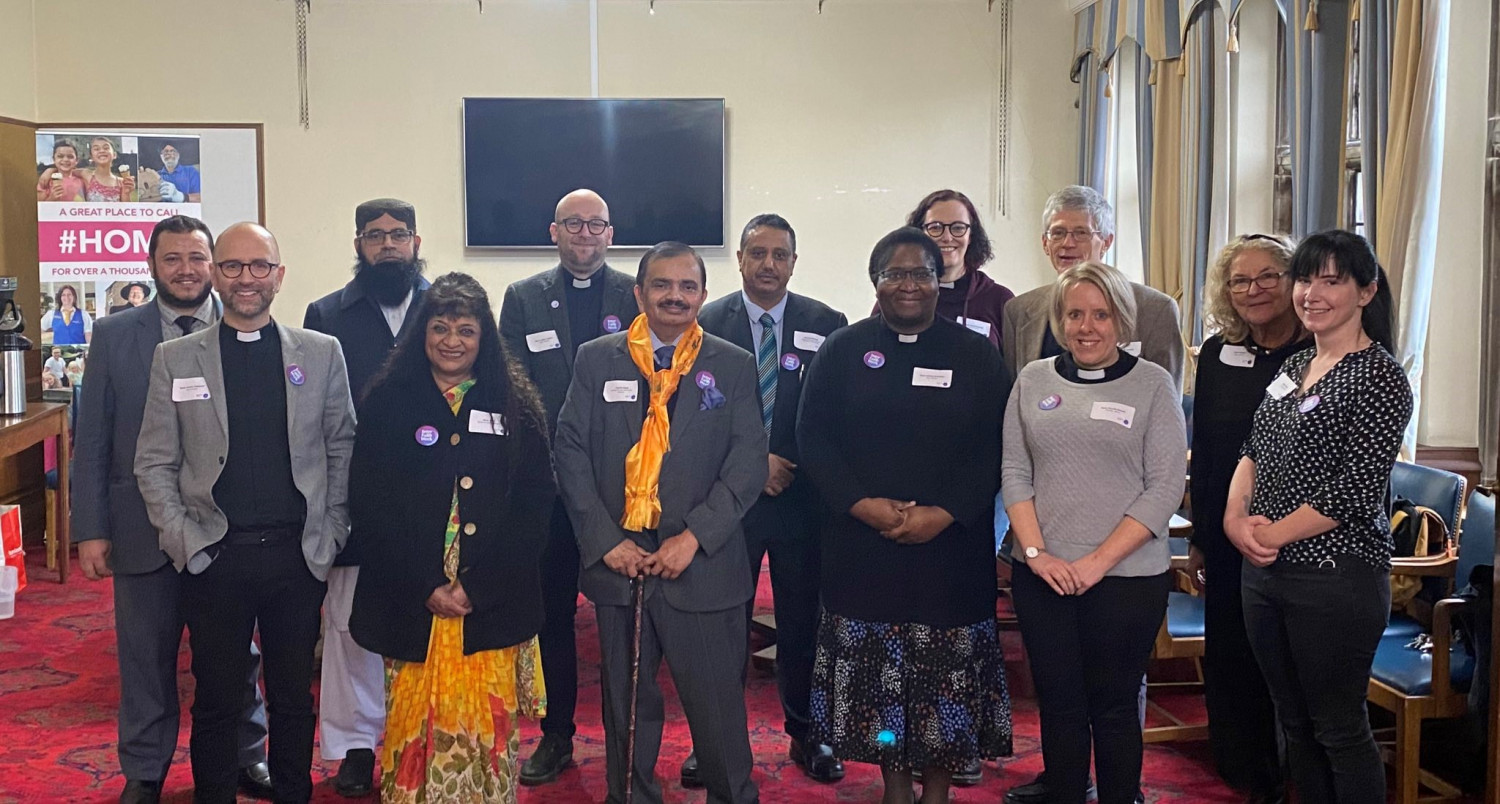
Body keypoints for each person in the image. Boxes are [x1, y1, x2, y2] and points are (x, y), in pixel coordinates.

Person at [134, 222, 356, 804]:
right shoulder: (175, 359)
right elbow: (154, 463)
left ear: (279, 276)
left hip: (296, 558)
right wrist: (185, 541)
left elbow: (342, 448)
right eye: (232, 267)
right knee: (216, 700)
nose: (246, 279)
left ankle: (292, 794)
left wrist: (329, 535)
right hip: (214, 559)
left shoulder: (320, 353)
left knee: (290, 698)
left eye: (260, 266)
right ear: (214, 275)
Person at [797, 227, 1013, 804]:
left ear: (941, 282)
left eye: (922, 273)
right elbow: (813, 437)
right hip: (863, 550)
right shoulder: (842, 349)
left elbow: (998, 445)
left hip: (950, 552)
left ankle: (937, 788)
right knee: (881, 683)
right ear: (876, 282)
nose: (909, 285)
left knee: (941, 681)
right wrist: (863, 505)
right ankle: (894, 783)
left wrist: (945, 513)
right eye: (895, 273)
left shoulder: (976, 355)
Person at [554, 241, 766, 804]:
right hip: (621, 565)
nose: (675, 296)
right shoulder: (597, 359)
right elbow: (569, 451)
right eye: (662, 285)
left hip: (702, 566)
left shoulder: (732, 364)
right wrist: (605, 542)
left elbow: (747, 466)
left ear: (701, 293)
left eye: (687, 286)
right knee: (627, 709)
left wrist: (692, 538)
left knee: (717, 708)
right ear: (639, 292)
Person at [75, 216, 273, 804]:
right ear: (151, 265)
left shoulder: (242, 327)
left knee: (240, 655)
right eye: (173, 259)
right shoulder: (114, 335)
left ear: (212, 264)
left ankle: (247, 755)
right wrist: (90, 529)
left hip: (226, 529)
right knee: (146, 654)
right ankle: (144, 769)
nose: (186, 269)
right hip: (139, 527)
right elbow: (94, 439)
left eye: (197, 257)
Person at [1000, 185, 1180, 804]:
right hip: (1044, 572)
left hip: (1126, 576)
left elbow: (1165, 487)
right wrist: (1038, 555)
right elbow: (1015, 473)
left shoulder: (1154, 385)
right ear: (1059, 320)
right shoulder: (1032, 379)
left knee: (1111, 704)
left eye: (1100, 315)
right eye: (1075, 315)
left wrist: (1096, 564)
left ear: (1121, 320)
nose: (1086, 326)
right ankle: (1066, 792)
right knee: (1058, 699)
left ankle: (1120, 795)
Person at [349, 272, 553, 804]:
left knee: (488, 730)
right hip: (411, 601)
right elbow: (370, 505)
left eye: (466, 329)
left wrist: (478, 587)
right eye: (439, 327)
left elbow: (534, 507)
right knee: (412, 728)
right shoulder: (388, 402)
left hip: (492, 602)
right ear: (422, 333)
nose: (452, 341)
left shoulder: (516, 405)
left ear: (484, 336)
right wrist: (425, 584)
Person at [1226, 230, 1412, 803]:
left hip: (1335, 577)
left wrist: (1271, 535)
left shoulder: (1381, 378)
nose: (1312, 293)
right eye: (1306, 279)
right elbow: (1253, 448)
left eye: (1331, 280)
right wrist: (1236, 521)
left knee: (1339, 729)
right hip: (1264, 571)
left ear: (1366, 292)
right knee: (1294, 723)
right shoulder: (1298, 362)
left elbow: (1355, 488)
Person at [698, 213, 849, 785]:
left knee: (803, 623)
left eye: (779, 254)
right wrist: (750, 467)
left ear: (793, 261)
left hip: (802, 502)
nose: (767, 264)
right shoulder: (706, 323)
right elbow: (692, 420)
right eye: (756, 253)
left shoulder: (825, 323)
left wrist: (789, 466)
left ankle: (808, 734)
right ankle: (715, 739)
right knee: (721, 626)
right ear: (739, 259)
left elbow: (836, 417)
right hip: (726, 505)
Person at [502, 188, 639, 786]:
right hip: (551, 492)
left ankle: (626, 738)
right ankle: (557, 735)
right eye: (573, 224)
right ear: (553, 231)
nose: (585, 233)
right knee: (552, 616)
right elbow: (510, 387)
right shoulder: (523, 298)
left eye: (596, 224)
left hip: (621, 491)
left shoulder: (637, 293)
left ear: (610, 233)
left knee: (623, 620)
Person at [303, 197, 431, 797]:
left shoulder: (449, 307)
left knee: (429, 623)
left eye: (397, 235)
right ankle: (355, 748)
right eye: (374, 236)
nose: (387, 246)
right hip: (355, 495)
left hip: (436, 496)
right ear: (358, 244)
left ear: (415, 241)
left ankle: (420, 740)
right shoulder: (327, 314)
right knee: (350, 629)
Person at [1185, 234, 1306, 802]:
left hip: (1296, 534)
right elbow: (1206, 449)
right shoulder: (1216, 353)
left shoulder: (1317, 354)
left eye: (1266, 277)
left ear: (1293, 281)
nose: (1252, 290)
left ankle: (1289, 772)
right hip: (1226, 533)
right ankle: (1239, 767)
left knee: (1281, 661)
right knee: (1230, 650)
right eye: (1239, 281)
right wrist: (1204, 536)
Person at [1002, 185, 1183, 390]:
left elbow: (1167, 403)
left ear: (1106, 242)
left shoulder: (1155, 310)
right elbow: (1015, 400)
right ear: (1045, 243)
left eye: (1081, 233)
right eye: (1058, 233)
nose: (1067, 243)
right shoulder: (1018, 311)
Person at [907, 188, 1014, 351]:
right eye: (935, 227)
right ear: (919, 234)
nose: (947, 237)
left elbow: (1015, 368)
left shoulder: (999, 300)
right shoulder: (900, 295)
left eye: (958, 228)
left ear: (971, 236)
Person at [83, 136, 136, 202]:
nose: (102, 151)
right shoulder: (86, 175)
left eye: (106, 148)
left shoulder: (122, 182)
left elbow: (126, 210)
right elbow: (68, 172)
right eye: (96, 149)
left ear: (114, 155)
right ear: (91, 157)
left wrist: (126, 193)